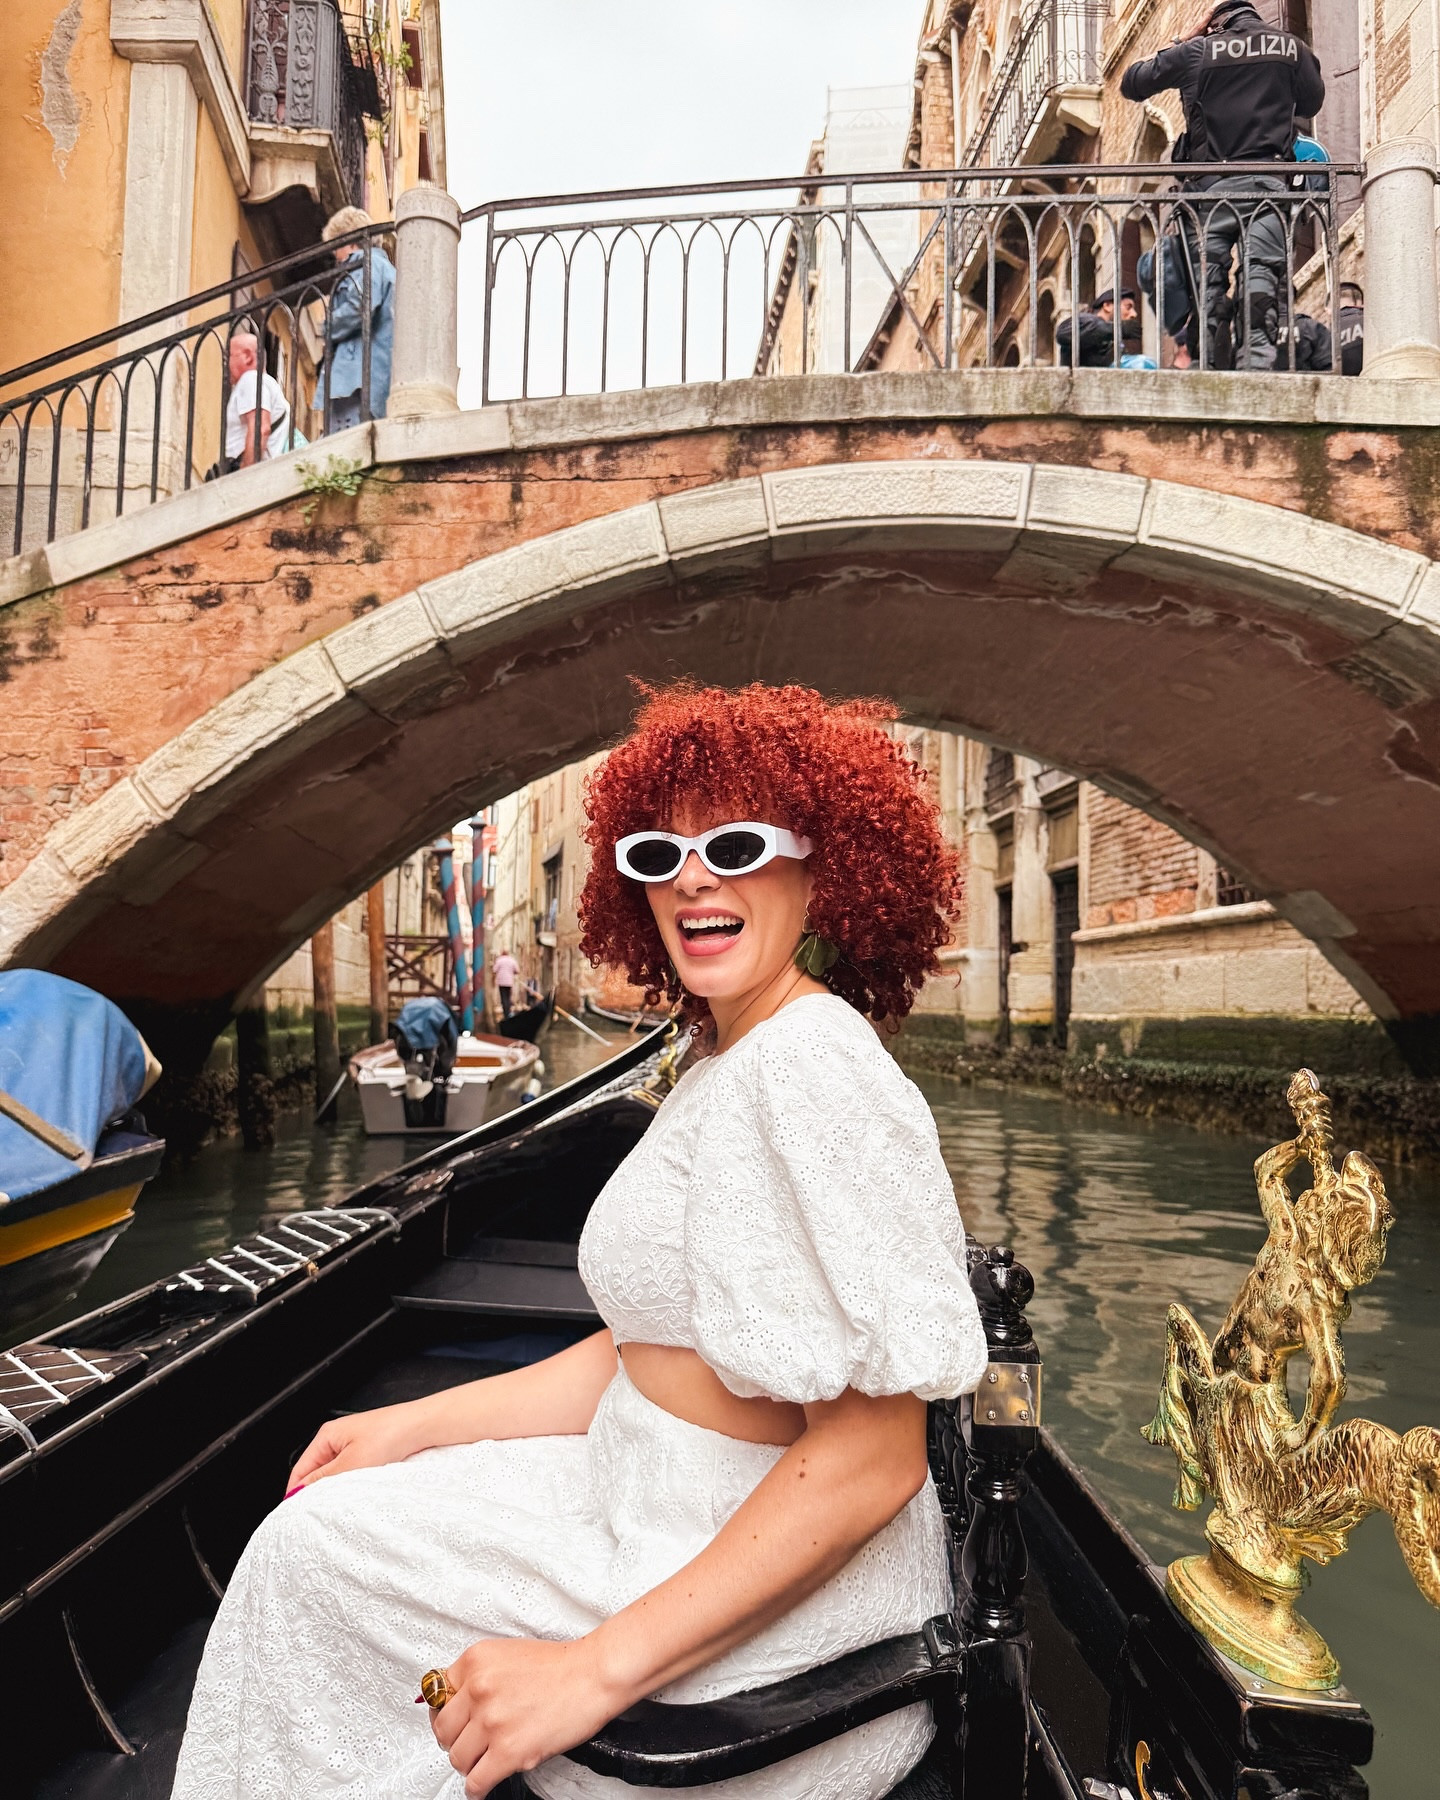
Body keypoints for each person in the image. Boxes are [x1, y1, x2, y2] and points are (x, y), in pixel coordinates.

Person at [171, 681, 988, 1800]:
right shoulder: (726, 1060)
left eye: (738, 844)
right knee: (329, 1520)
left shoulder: (811, 1069)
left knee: (305, 1564)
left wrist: (589, 1675)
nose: (694, 876)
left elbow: (871, 1460)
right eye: (661, 853)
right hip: (644, 1493)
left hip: (766, 1614)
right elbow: (642, 1350)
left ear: (826, 868)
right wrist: (411, 1425)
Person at [1121, 1, 1324, 370]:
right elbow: (1311, 103)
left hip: (1209, 197)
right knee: (1261, 287)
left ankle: (1211, 374)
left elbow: (1132, 82)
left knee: (1207, 296)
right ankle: (1255, 372)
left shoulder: (1196, 51)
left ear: (1214, 24)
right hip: (1267, 189)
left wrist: (1184, 38)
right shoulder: (1291, 48)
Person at [318, 205, 396, 431]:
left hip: (354, 381)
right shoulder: (386, 270)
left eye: (336, 248)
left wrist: (327, 326)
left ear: (349, 241)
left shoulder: (366, 266)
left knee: (344, 452)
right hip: (375, 380)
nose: (336, 258)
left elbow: (359, 306)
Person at [1056, 288, 1138, 367]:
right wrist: (1117, 329)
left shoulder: (1112, 340)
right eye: (1128, 307)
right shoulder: (1085, 320)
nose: (1134, 314)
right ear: (1107, 306)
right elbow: (1062, 334)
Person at [492, 946, 520, 1018]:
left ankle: (506, 1013)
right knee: (508, 997)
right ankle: (508, 1013)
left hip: (501, 982)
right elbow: (517, 970)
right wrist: (512, 972)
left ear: (502, 953)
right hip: (509, 982)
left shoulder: (499, 960)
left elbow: (494, 970)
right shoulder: (512, 960)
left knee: (503, 998)